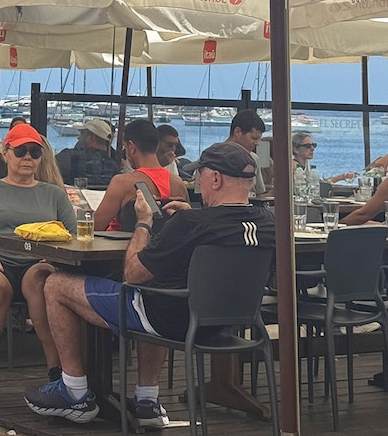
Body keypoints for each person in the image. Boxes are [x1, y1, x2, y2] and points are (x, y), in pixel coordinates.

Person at [24, 142, 274, 427]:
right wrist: (189, 215)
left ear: (215, 179)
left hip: (168, 320)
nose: (198, 181)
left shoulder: (190, 224)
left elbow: (133, 274)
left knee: (55, 284)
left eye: (201, 174)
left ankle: (74, 392)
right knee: (158, 287)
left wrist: (143, 223)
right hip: (223, 325)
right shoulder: (268, 223)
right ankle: (147, 402)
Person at [0, 123, 76, 414]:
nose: (28, 157)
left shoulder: (54, 194)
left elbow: (72, 237)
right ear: (6, 153)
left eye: (35, 152)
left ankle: (58, 375)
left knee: (44, 284)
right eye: (21, 151)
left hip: (37, 263)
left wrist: (52, 259)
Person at [92, 120, 189, 232]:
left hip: (128, 243)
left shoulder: (122, 183)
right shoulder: (178, 183)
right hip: (168, 243)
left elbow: (95, 227)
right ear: (156, 145)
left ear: (131, 147)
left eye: (125, 147)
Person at [55, 118, 119, 187]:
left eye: (82, 134)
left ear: (91, 137)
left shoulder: (66, 157)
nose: (78, 138)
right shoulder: (114, 169)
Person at [222, 109, 267, 197]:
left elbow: (259, 195)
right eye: (253, 138)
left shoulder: (254, 158)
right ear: (237, 132)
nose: (257, 143)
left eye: (258, 139)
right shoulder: (212, 157)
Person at [291, 131, 356, 184]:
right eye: (308, 146)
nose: (312, 148)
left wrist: (343, 176)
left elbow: (321, 184)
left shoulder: (307, 166)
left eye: (314, 145)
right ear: (296, 149)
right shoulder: (293, 167)